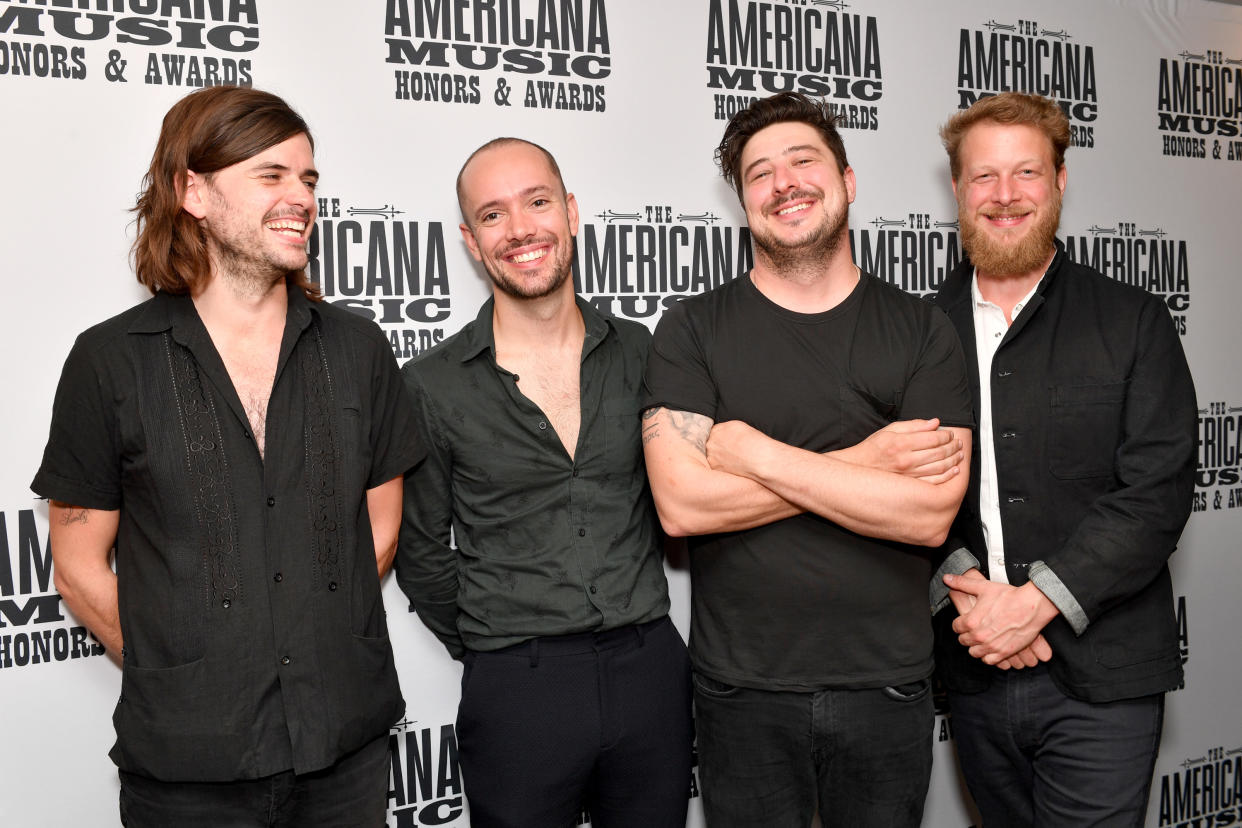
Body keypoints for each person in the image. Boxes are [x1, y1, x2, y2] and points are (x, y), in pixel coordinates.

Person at [32, 86, 422, 827]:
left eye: (308, 179)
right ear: (193, 192)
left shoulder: (359, 349)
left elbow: (381, 527)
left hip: (346, 747)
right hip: (187, 769)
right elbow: (79, 568)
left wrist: (308, 634)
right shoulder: (110, 362)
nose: (300, 198)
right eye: (270, 175)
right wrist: (174, 673)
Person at [641, 91, 974, 827]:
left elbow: (926, 516)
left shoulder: (922, 331)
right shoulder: (693, 329)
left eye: (802, 161)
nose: (783, 183)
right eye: (759, 173)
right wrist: (866, 460)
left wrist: (751, 451)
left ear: (848, 181)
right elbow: (682, 505)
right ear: (742, 202)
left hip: (885, 685)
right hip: (740, 691)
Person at [395, 137, 693, 828]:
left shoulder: (645, 352)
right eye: (493, 215)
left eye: (537, 202)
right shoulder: (432, 383)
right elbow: (421, 550)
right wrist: (495, 643)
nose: (522, 229)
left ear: (572, 212)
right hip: (517, 685)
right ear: (471, 241)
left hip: (649, 666)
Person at [932, 91, 1198, 827]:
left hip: (1104, 679)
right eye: (984, 177)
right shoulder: (919, 331)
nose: (1006, 196)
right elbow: (897, 486)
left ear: (1060, 181)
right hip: (974, 666)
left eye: (1027, 173)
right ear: (957, 189)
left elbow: (1155, 494)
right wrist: (971, 596)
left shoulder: (1133, 320)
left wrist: (1035, 604)